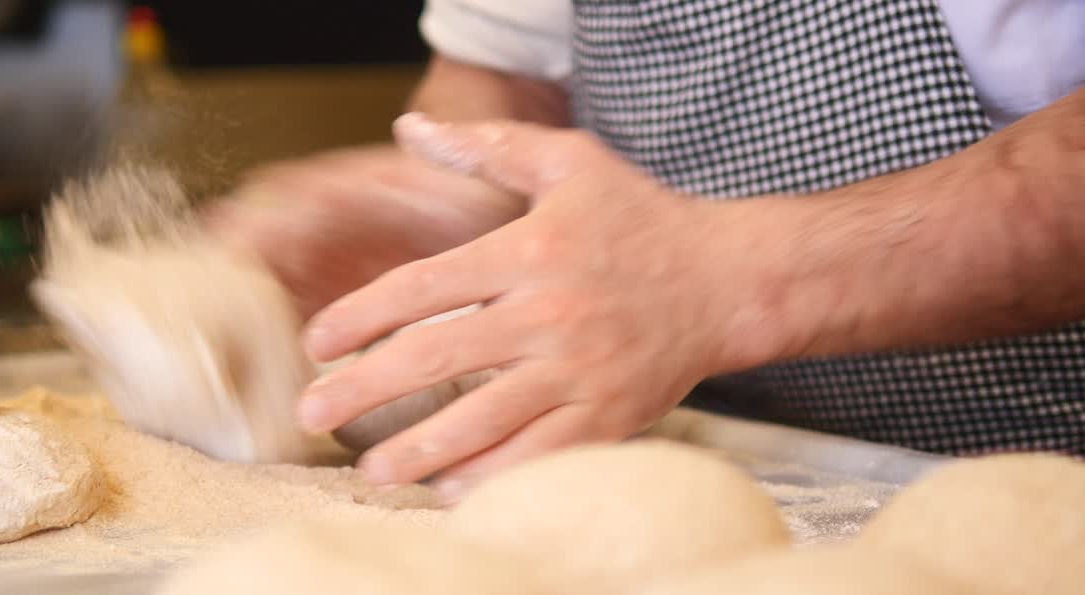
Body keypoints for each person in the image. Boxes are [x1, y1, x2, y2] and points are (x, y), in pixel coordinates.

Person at [207, 0, 1085, 502]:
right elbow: (502, 73)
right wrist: (452, 211)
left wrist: (726, 283)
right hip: (718, 463)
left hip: (1041, 488)